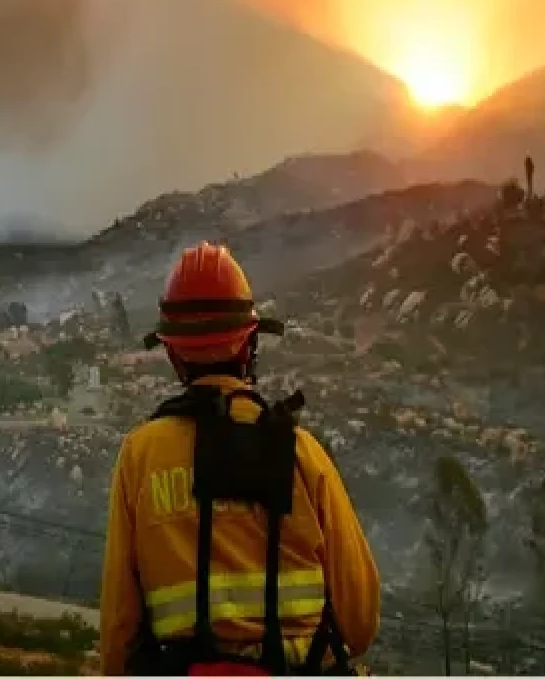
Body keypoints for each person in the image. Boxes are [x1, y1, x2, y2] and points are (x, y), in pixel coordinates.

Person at [100, 241, 380, 676]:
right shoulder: (304, 456)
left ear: (173, 353)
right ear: (250, 343)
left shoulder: (140, 456)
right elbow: (360, 623)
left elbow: (119, 631)